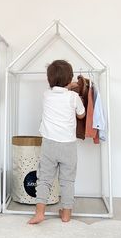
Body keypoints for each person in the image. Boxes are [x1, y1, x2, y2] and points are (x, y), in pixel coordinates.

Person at [28, 60, 85, 224]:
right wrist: (72, 89)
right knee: (67, 181)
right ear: (70, 79)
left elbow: (58, 90)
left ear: (49, 80)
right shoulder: (74, 97)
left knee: (44, 179)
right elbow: (81, 115)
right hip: (68, 145)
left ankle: (39, 213)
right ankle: (66, 214)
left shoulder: (46, 95)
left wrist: (65, 85)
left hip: (49, 145)